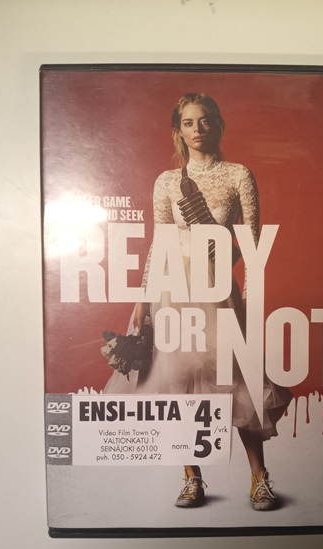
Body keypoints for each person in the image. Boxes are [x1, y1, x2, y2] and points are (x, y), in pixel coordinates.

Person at [104, 92, 292, 510]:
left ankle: (259, 478)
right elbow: (160, 242)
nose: (197, 129)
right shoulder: (167, 182)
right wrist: (143, 296)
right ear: (179, 130)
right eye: (188, 123)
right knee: (174, 380)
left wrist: (239, 281)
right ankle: (191, 478)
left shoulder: (238, 175)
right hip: (172, 290)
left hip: (216, 289)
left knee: (236, 379)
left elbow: (252, 243)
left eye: (204, 120)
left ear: (217, 124)